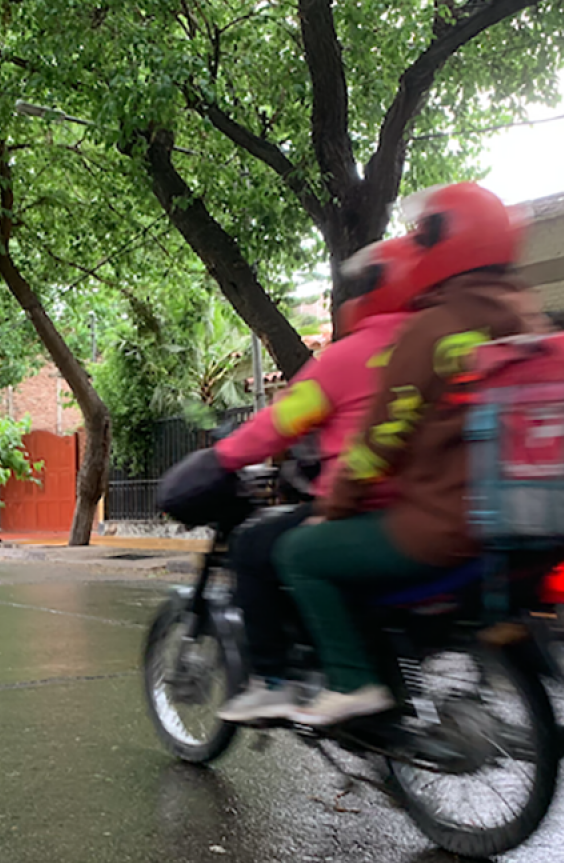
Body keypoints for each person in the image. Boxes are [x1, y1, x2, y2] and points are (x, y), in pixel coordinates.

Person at [271, 182, 542, 727]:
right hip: (520, 521)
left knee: (300, 553)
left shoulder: (434, 329)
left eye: (422, 238)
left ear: (446, 243)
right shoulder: (528, 320)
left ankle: (352, 683)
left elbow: (381, 440)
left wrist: (338, 504)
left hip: (443, 524)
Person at [206, 236, 424, 724]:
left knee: (258, 545)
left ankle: (274, 681)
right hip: (429, 504)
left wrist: (221, 457)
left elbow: (280, 422)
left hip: (365, 506)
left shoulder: (349, 357)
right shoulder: (436, 345)